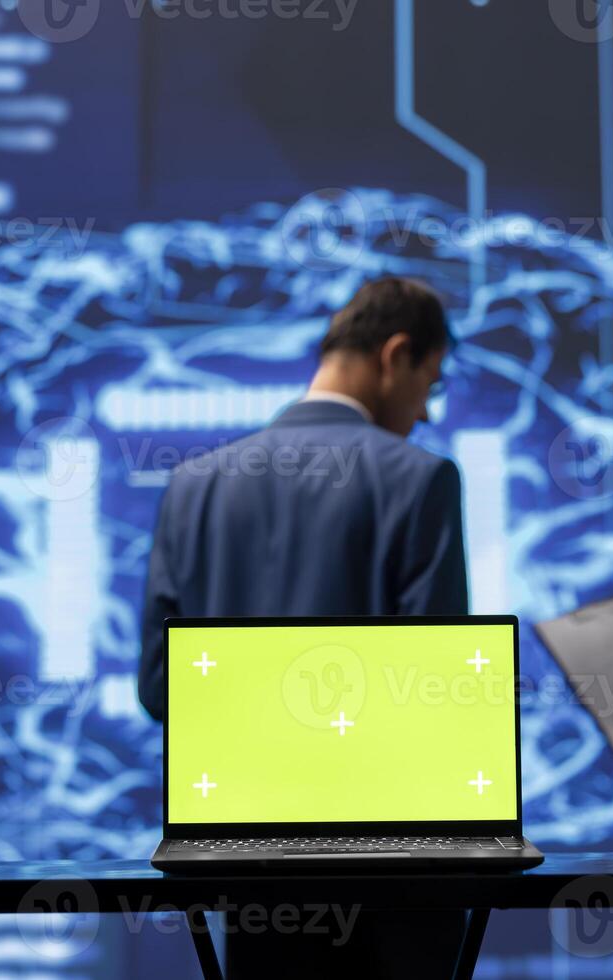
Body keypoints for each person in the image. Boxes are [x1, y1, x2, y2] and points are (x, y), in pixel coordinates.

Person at [138, 276, 469, 977]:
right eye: (429, 384)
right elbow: (437, 700)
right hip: (394, 871)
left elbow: (161, 688)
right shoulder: (421, 480)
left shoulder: (193, 484)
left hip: (247, 860)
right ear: (397, 353)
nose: (425, 412)